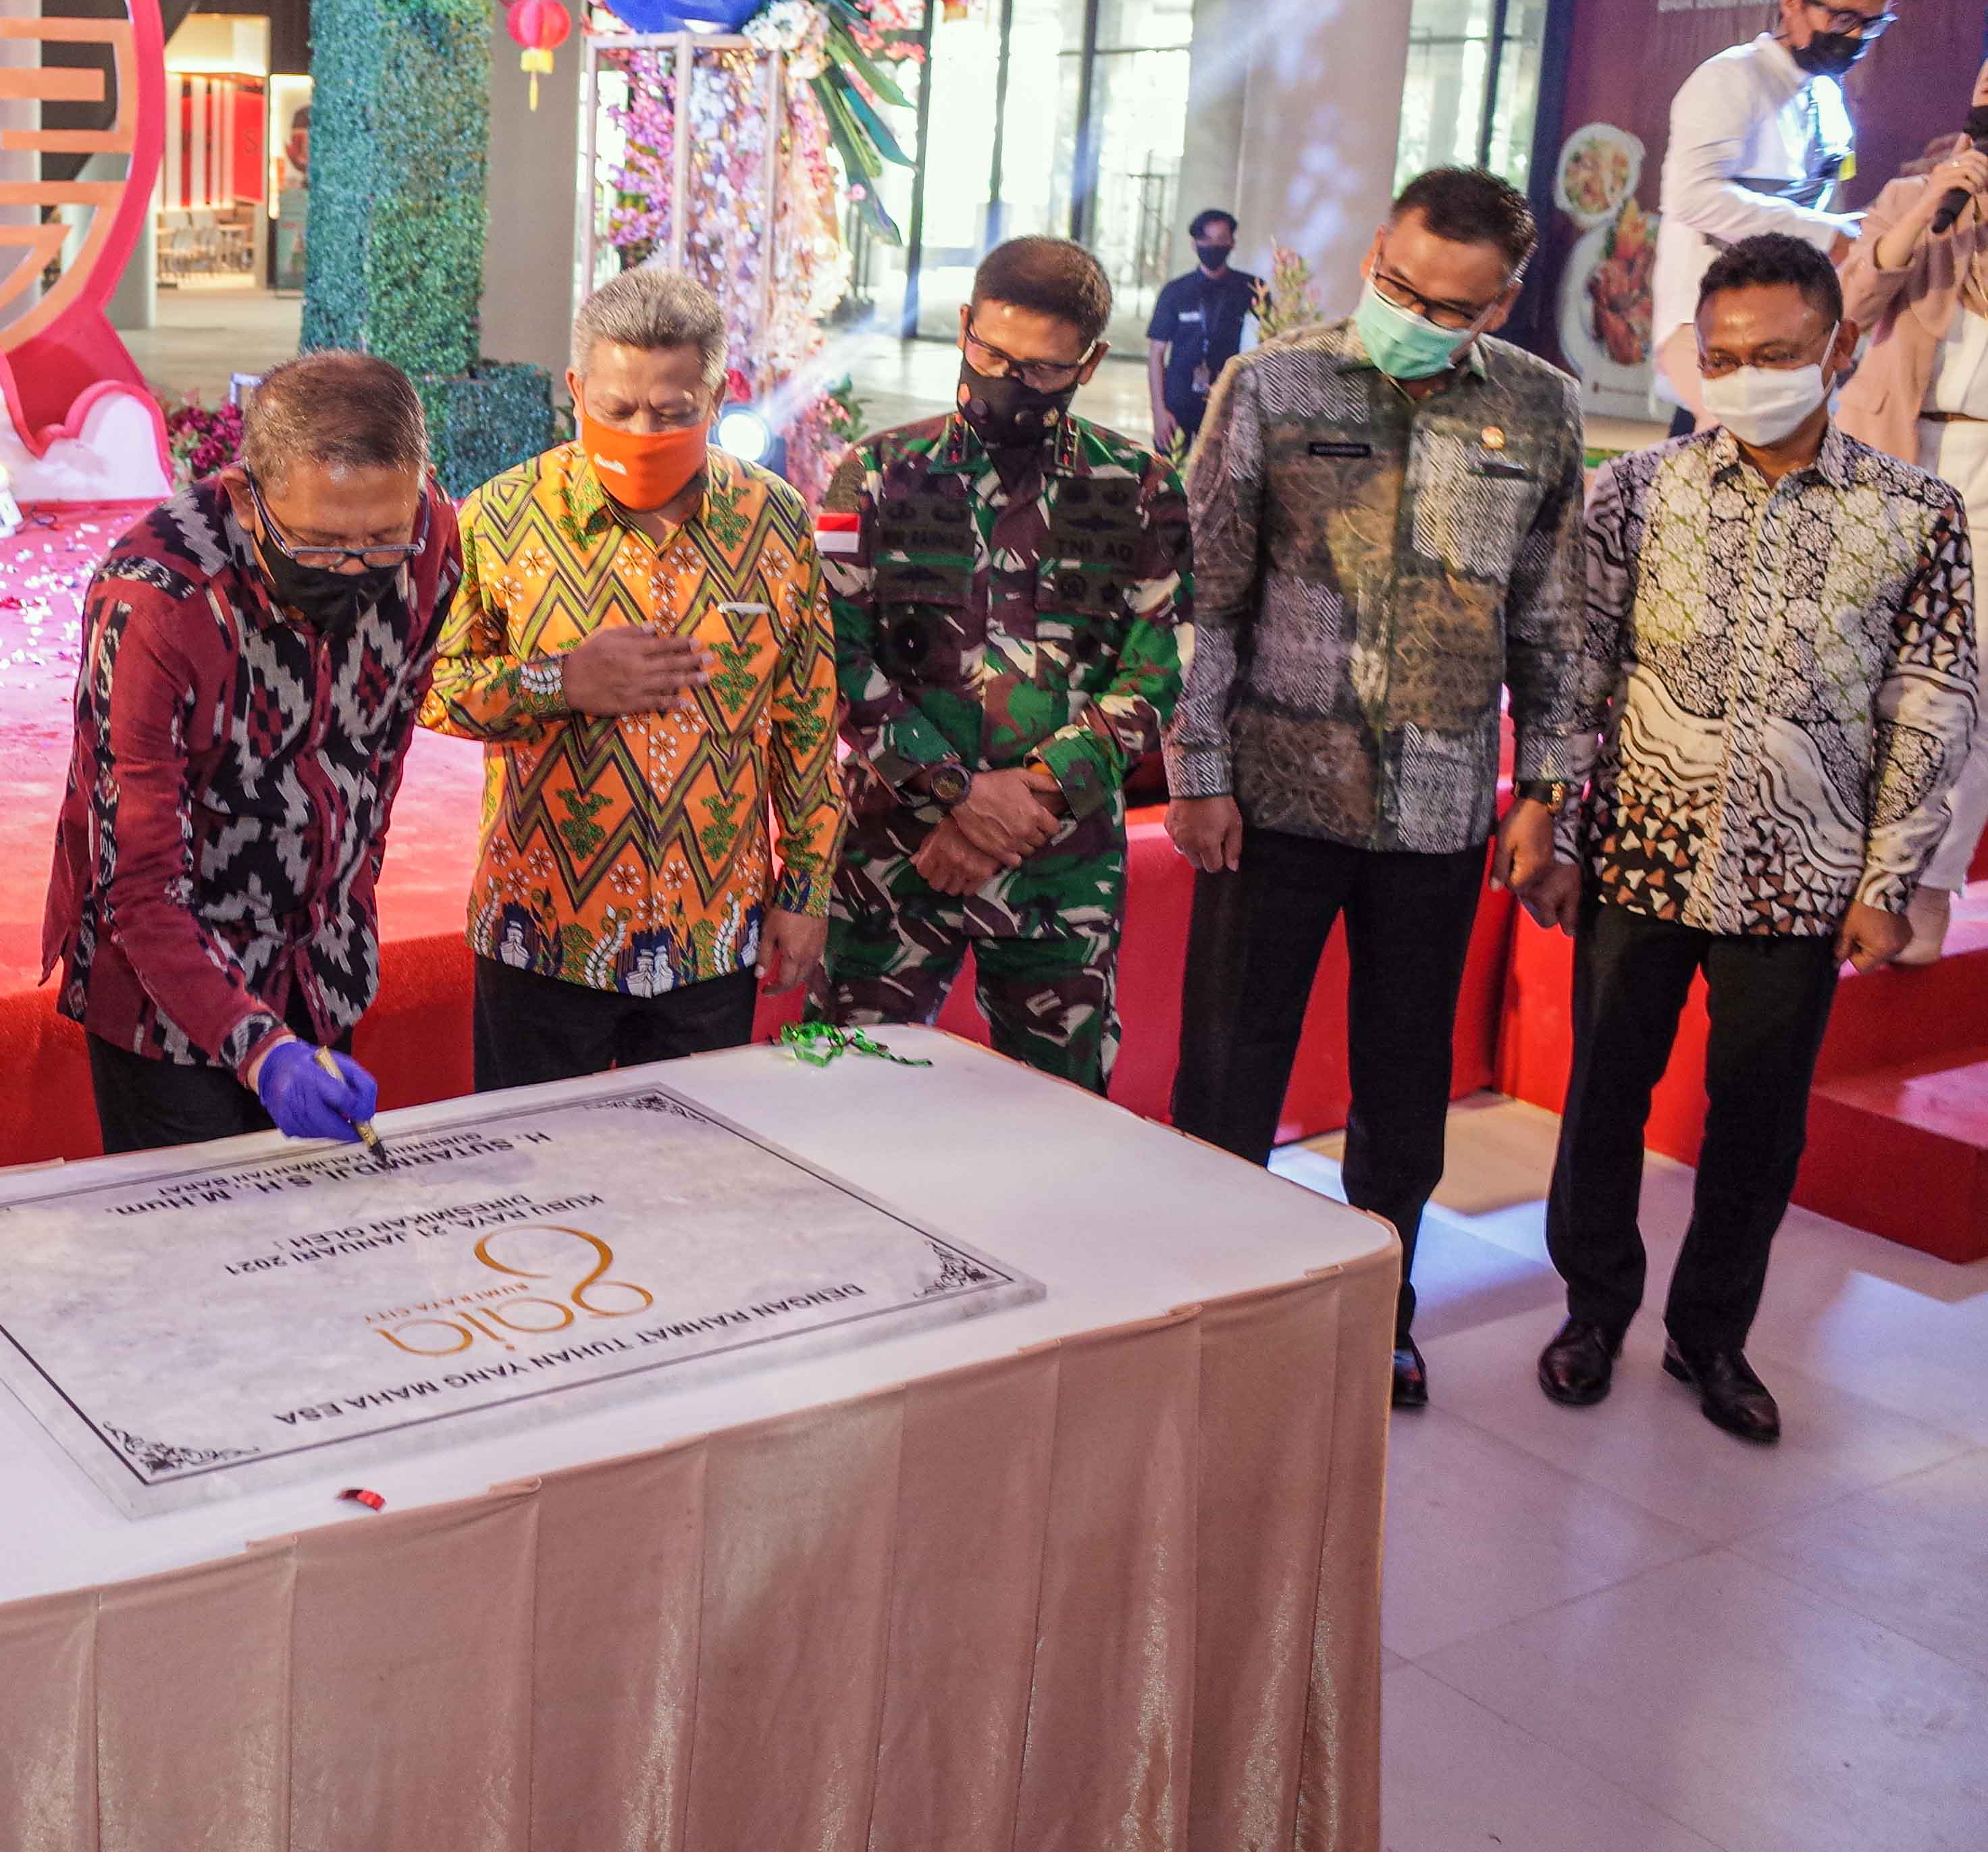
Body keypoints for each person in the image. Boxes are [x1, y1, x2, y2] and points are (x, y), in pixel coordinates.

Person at [1538, 234, 1974, 1442]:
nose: (1745, 378)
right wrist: (1556, 826)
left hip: (1803, 874)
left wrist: (1889, 878)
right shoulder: (1636, 494)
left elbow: (1929, 704)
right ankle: (1591, 1310)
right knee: (1602, 1098)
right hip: (1637, 853)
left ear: (1840, 348)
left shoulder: (1915, 514)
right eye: (1723, 358)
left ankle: (1710, 1335)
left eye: (1775, 354)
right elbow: (1576, 675)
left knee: (1756, 1119)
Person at [1165, 167, 1588, 1412]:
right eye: (1400, 286)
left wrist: (1544, 788)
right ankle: (1207, 1302)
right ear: (1372, 256)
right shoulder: (1271, 384)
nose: (1417, 315)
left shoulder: (1540, 407)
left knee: (1403, 1087)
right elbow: (1207, 597)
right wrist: (1198, 770)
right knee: (1228, 1069)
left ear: (1501, 303)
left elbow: (1551, 620)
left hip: (1439, 808)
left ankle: (1378, 1315)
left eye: (1452, 306)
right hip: (1272, 797)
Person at [420, 267, 840, 1090]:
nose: (641, 431)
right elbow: (428, 686)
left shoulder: (773, 520)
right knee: (533, 1155)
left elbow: (806, 722)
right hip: (541, 930)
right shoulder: (501, 516)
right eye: (615, 410)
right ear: (576, 389)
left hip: (710, 935)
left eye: (672, 412)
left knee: (688, 1159)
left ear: (718, 396)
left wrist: (804, 890)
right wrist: (559, 684)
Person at [45, 349, 461, 1152]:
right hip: (168, 991)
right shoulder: (157, 601)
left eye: (381, 539)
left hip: (322, 961)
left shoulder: (428, 536)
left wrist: (346, 900)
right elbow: (135, 883)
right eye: (319, 543)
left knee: (319, 1217)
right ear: (245, 498)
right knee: (191, 1223)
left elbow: (382, 753)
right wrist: (261, 1050)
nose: (355, 570)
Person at [820, 236, 1190, 1090]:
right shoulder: (870, 475)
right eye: (991, 354)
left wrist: (1035, 795)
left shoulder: (1141, 490)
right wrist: (956, 794)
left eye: (1041, 370)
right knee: (847, 1097)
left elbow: (1158, 669)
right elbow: (835, 654)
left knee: (1057, 1115)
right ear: (964, 326)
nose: (1007, 382)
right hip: (894, 855)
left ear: (1089, 363)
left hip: (1059, 865)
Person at [1836, 53, 1988, 963]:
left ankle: (1929, 880)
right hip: (1898, 456)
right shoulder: (1915, 201)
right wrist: (1931, 207)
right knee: (1868, 669)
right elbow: (1851, 304)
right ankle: (1848, 859)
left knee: (1974, 686)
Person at [1652, 0, 1895, 433]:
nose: (1856, 37)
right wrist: (1824, 234)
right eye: (1843, 19)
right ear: (1792, 4)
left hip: (1787, 327)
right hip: (1710, 324)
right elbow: (1691, 197)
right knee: (1723, 453)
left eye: (1873, 24)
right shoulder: (1730, 78)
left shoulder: (1828, 95)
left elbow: (1823, 204)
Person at [1145, 209, 1261, 456]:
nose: (1213, 246)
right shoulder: (1175, 292)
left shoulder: (1252, 289)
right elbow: (1156, 354)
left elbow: (1267, 345)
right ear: (1194, 244)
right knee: (1169, 472)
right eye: (1206, 239)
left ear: (1232, 243)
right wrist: (1159, 410)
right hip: (1179, 402)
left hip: (1229, 402)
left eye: (1221, 239)